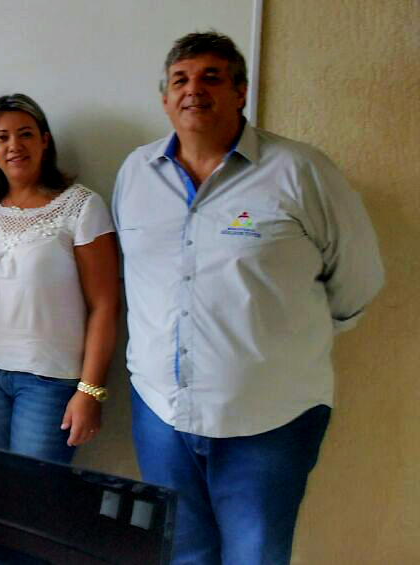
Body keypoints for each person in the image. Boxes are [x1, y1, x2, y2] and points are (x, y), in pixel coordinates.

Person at [113, 31, 384, 564]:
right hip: (161, 413)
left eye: (211, 78)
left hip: (267, 420)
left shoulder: (300, 171)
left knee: (255, 558)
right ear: (165, 99)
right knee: (181, 555)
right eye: (180, 80)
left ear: (241, 92)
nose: (194, 90)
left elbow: (358, 281)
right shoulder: (135, 174)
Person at [0, 94, 119, 464]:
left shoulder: (81, 206)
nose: (14, 145)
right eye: (2, 137)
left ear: (45, 141)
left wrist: (91, 390)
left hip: (50, 383)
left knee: (33, 493)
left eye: (25, 134)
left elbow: (105, 305)